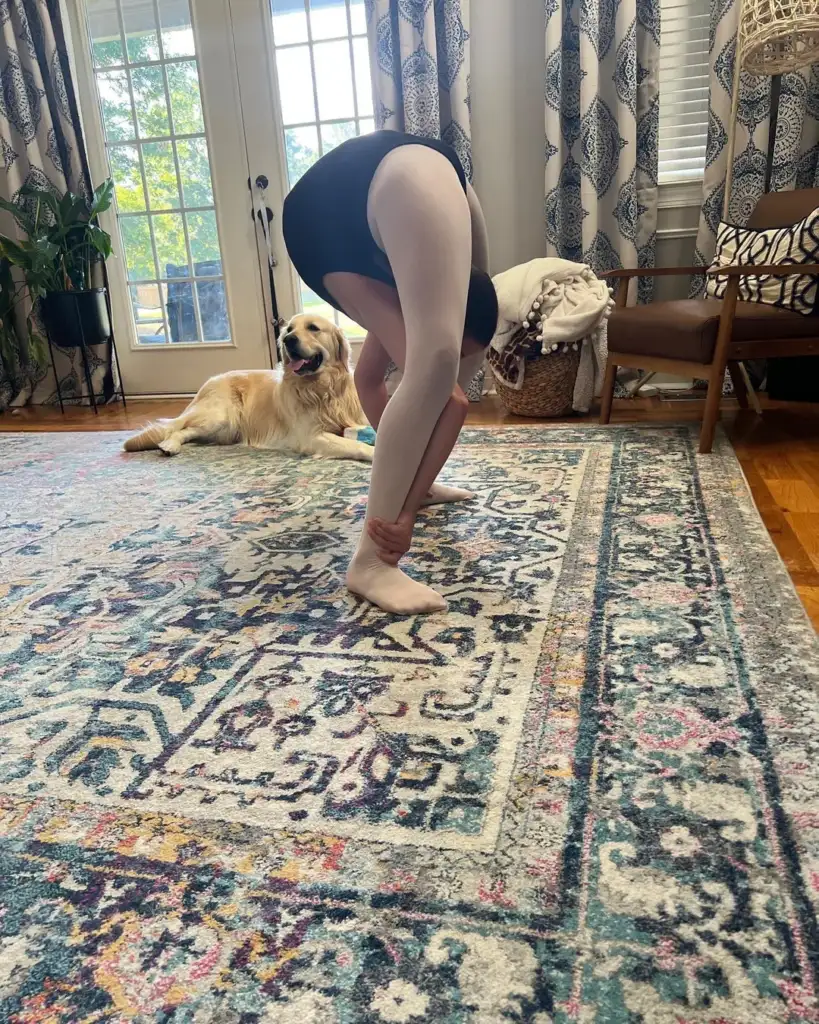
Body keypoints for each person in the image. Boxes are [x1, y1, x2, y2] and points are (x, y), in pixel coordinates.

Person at [282, 130, 498, 615]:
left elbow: (368, 380)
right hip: (325, 228)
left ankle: (410, 484)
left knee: (438, 373)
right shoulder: (420, 198)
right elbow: (452, 397)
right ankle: (372, 561)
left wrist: (414, 486)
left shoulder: (457, 237)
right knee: (437, 371)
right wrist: (399, 518)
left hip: (365, 191)